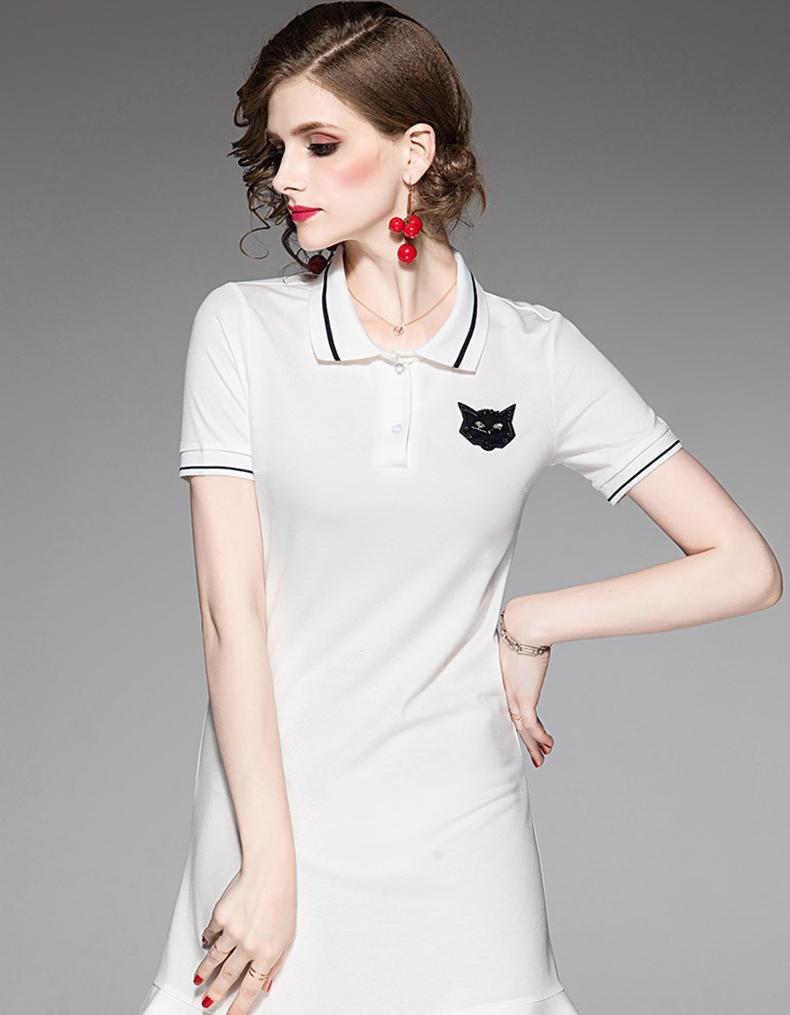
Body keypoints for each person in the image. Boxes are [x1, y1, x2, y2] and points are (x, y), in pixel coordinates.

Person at [136, 3, 783, 1013]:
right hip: (275, 821)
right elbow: (231, 617)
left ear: (414, 151)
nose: (286, 175)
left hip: (459, 833)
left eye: (319, 144)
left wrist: (536, 617)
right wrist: (269, 864)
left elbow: (744, 567)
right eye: (276, 148)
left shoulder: (536, 354)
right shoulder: (243, 332)